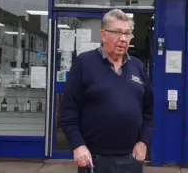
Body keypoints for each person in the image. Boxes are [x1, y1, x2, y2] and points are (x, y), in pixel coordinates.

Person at [60, 9, 155, 173]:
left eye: (127, 33)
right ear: (103, 35)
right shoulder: (84, 63)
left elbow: (149, 110)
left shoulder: (137, 67)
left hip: (131, 158)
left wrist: (144, 142)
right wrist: (77, 145)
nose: (123, 39)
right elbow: (69, 111)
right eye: (117, 32)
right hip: (95, 159)